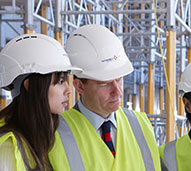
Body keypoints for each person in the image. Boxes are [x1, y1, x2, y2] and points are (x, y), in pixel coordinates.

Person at [48, 24, 161, 170]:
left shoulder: (141, 125)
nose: (118, 91)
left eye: (119, 79)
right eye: (105, 84)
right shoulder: (54, 133)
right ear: (79, 86)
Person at [0, 33, 81, 170]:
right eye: (60, 82)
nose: (68, 90)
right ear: (30, 86)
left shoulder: (44, 137)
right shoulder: (7, 149)